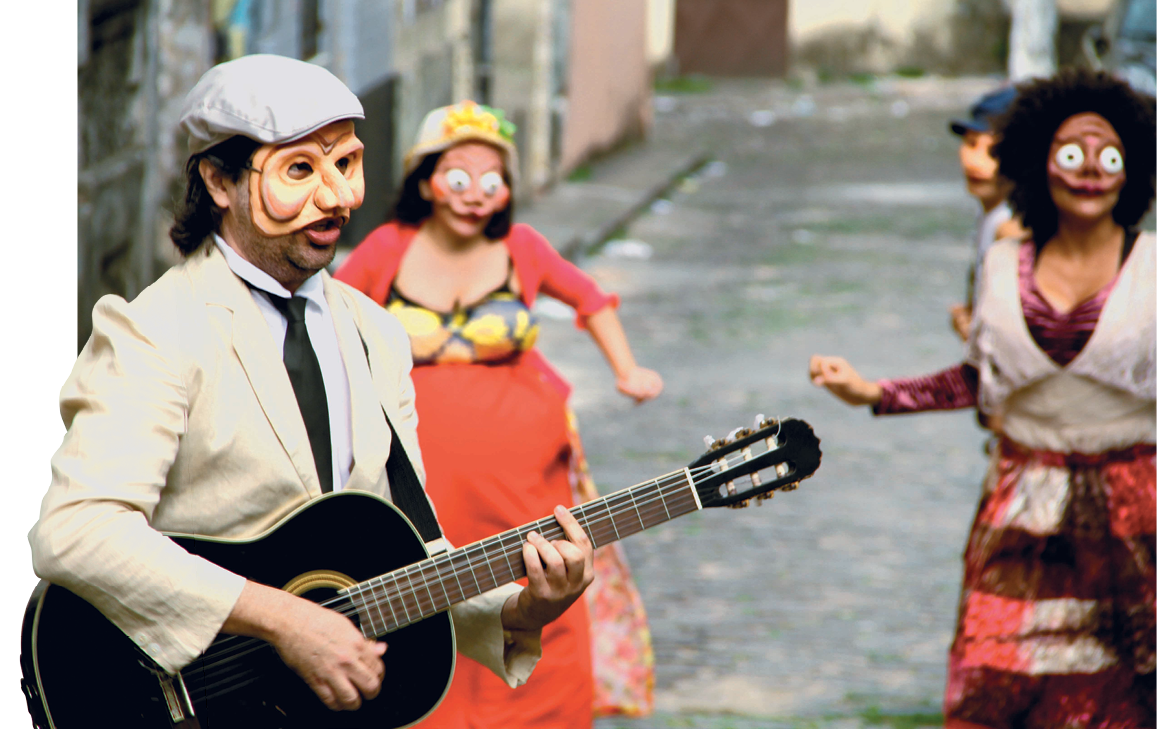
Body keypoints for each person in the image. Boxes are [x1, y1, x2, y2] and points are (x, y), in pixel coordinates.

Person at [29, 54, 594, 722]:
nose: (337, 197)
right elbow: (75, 530)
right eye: (300, 170)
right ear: (218, 179)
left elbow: (405, 546)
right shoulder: (156, 332)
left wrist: (520, 607)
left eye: (347, 165)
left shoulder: (375, 334)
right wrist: (280, 619)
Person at [809, 68, 1157, 727]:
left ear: (1131, 167)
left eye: (1107, 156)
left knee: (1127, 697)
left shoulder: (1153, 266)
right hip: (1019, 510)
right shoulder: (1001, 263)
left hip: (1135, 515)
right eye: (1069, 154)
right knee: (994, 687)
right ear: (1035, 163)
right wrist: (871, 392)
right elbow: (980, 379)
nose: (1089, 170)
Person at [334, 100, 663, 729]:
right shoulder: (385, 249)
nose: (476, 196)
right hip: (417, 472)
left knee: (538, 577)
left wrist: (626, 369)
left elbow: (590, 299)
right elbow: (330, 320)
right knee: (424, 585)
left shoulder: (523, 246)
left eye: (494, 181)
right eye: (459, 178)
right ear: (425, 180)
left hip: (526, 474)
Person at [947, 87, 1027, 342]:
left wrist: (975, 334)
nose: (975, 162)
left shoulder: (1013, 228)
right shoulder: (990, 214)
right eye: (971, 144)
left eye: (993, 151)